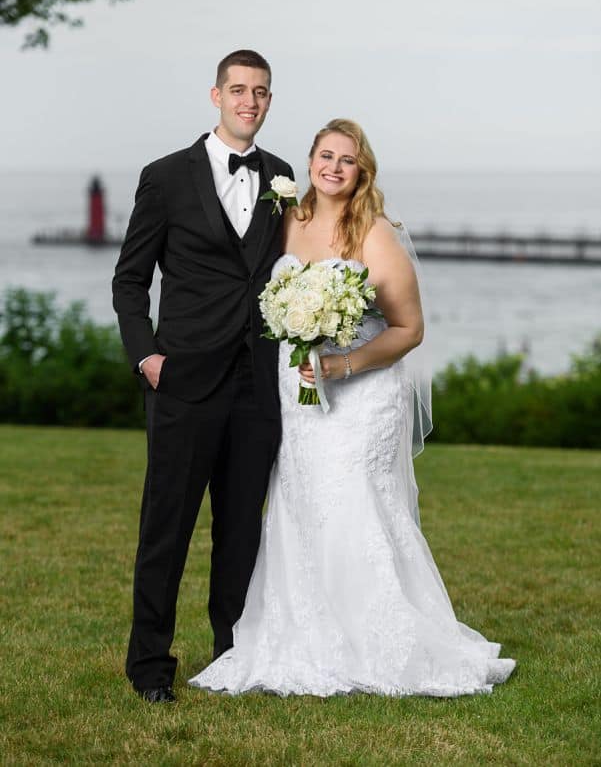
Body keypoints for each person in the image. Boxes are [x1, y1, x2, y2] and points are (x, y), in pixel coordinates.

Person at [189, 118, 516, 697]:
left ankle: (379, 640)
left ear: (362, 171)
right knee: (302, 503)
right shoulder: (287, 221)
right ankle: (307, 635)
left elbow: (409, 329)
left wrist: (344, 364)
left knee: (354, 504)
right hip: (297, 394)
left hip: (360, 395)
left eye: (347, 159)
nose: (334, 167)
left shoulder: (376, 232)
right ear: (310, 161)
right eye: (326, 155)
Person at [112, 50, 294, 703]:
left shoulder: (282, 177)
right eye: (238, 89)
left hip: (257, 384)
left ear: (269, 100)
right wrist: (146, 356)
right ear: (216, 95)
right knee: (166, 530)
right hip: (183, 380)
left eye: (261, 92)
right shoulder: (165, 177)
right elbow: (130, 280)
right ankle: (149, 668)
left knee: (241, 531)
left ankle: (231, 659)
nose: (250, 101)